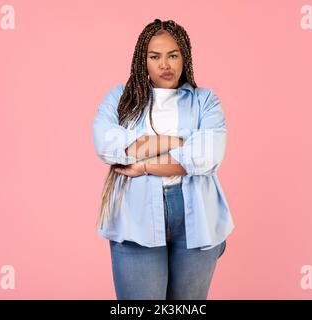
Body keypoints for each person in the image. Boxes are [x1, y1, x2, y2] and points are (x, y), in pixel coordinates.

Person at [92, 18, 235, 300]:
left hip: (197, 216)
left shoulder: (205, 101)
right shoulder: (120, 98)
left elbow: (207, 155)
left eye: (173, 55)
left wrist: (145, 161)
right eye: (155, 57)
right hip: (136, 215)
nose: (165, 65)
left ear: (185, 56)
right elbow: (107, 145)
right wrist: (180, 143)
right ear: (142, 60)